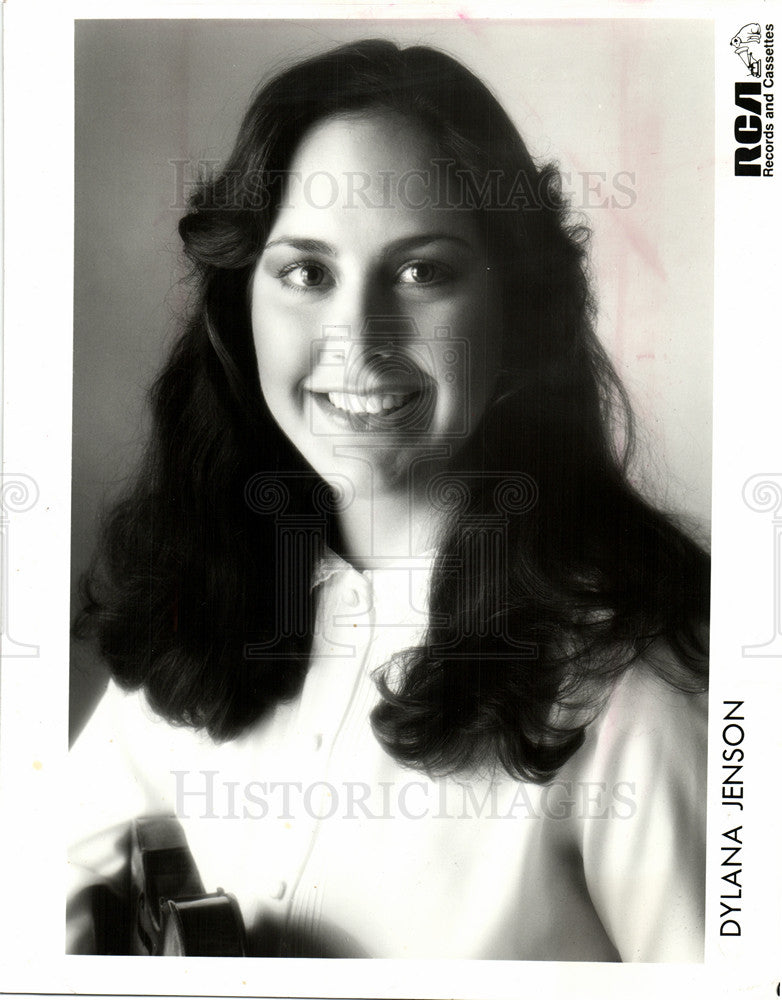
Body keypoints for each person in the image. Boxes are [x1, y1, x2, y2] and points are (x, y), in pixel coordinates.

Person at [68, 39, 710, 961]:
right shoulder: (204, 607)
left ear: (520, 309)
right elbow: (47, 891)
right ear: (238, 302)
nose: (356, 343)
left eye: (423, 272)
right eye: (307, 273)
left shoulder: (637, 685)